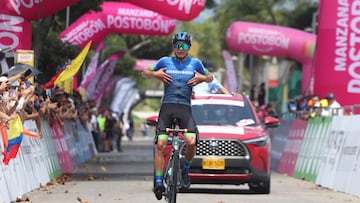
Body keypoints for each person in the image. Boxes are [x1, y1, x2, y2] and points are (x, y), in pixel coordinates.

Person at [142, 31, 213, 200]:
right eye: (177, 45)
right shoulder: (164, 61)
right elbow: (144, 71)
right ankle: (159, 182)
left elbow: (210, 77)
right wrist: (155, 74)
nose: (180, 49)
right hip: (168, 106)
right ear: (173, 46)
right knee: (161, 144)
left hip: (185, 108)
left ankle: (185, 169)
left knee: (191, 141)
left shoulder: (195, 63)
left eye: (184, 45)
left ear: (189, 47)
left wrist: (202, 78)